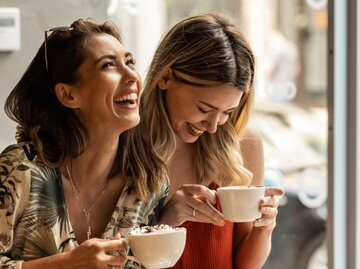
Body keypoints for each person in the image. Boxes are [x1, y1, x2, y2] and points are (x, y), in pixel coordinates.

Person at [0, 18, 168, 269]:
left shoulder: (147, 183)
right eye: (109, 65)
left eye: (130, 62)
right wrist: (64, 265)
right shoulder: (19, 172)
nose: (132, 75)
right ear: (68, 95)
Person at [126, 12, 284, 268]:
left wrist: (265, 227)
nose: (212, 126)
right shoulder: (126, 140)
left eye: (227, 113)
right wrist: (165, 221)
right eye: (203, 108)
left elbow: (244, 265)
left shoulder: (243, 142)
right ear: (165, 77)